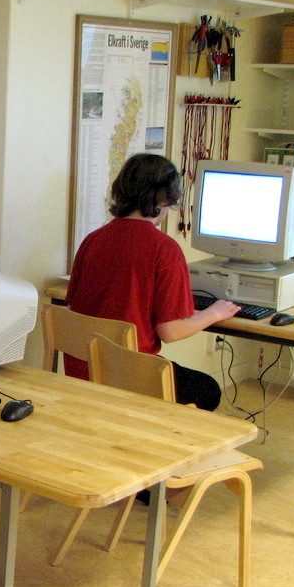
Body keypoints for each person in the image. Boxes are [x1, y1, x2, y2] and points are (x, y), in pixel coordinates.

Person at [64, 153, 240, 411]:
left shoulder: (93, 239)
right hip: (128, 376)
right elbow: (170, 331)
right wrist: (214, 313)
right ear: (164, 200)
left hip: (83, 370)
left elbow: (73, 307)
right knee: (207, 389)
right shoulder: (164, 249)